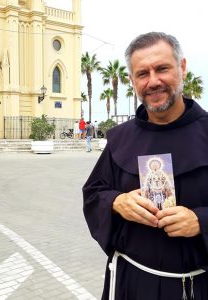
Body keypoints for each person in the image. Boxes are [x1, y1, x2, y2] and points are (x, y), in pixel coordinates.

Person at [83, 32, 208, 300]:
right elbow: (94, 193)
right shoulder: (121, 138)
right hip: (133, 284)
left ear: (182, 67)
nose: (153, 81)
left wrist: (201, 221)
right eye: (142, 74)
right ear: (132, 80)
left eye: (162, 69)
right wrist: (117, 202)